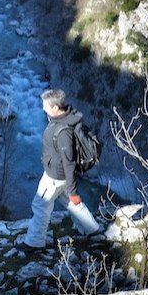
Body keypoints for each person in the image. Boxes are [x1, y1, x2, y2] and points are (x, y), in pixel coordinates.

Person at [23, 88, 101, 248]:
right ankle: (92, 228)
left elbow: (69, 162)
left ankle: (34, 243)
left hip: (55, 177)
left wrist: (73, 191)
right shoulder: (65, 119)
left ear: (55, 108)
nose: (43, 107)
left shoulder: (63, 131)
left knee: (40, 205)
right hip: (61, 175)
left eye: (45, 105)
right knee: (71, 203)